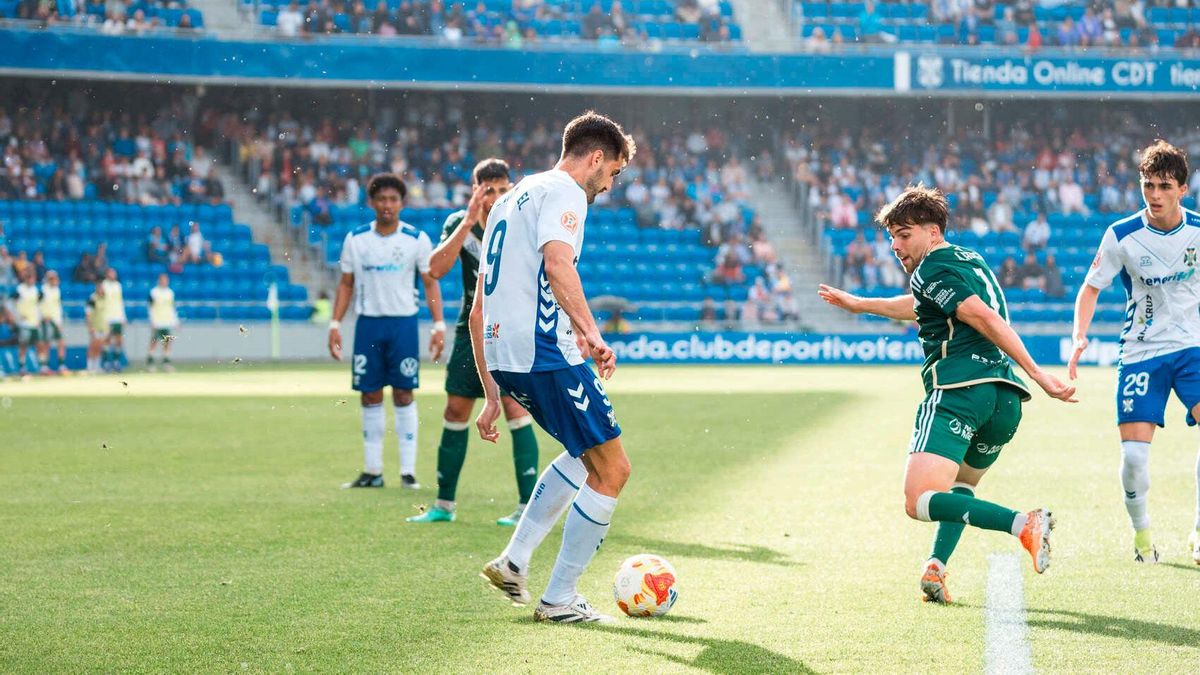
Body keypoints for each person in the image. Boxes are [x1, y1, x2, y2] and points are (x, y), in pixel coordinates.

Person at [818, 185, 1075, 604]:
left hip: (958, 388)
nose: (896, 247)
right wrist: (860, 304)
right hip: (1003, 400)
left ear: (932, 231)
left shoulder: (929, 269)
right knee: (958, 489)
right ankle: (936, 567)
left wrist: (1040, 373)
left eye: (904, 235)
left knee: (917, 500)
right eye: (892, 239)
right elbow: (922, 304)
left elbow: (981, 316)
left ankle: (1023, 524)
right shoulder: (965, 259)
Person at [475, 111, 635, 624]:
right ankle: (560, 598)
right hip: (542, 351)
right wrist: (591, 332)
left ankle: (514, 561)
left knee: (579, 453)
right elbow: (558, 263)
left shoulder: (510, 198)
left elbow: (478, 308)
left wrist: (493, 389)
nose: (607, 186)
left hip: (507, 356)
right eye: (611, 173)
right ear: (594, 158)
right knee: (612, 470)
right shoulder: (565, 191)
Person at [1067, 140, 1200, 565]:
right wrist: (1078, 336)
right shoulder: (1121, 235)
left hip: (1193, 347)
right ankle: (1143, 536)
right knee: (1134, 459)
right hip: (1142, 352)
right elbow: (1090, 289)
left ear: (1183, 188)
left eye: (1164, 185)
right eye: (1148, 185)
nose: (1155, 194)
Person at [407, 158, 541, 526]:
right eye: (488, 190)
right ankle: (444, 506)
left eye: (502, 189)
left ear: (511, 189)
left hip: (511, 329)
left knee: (516, 410)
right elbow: (434, 269)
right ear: (475, 191)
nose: (496, 196)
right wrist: (467, 221)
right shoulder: (459, 225)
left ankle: (527, 509)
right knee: (455, 411)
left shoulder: (522, 225)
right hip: (471, 331)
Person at [329, 173, 446, 490]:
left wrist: (438, 324)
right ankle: (372, 470)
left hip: (403, 325)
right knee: (369, 394)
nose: (387, 205)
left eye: (393, 199)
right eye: (381, 199)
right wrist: (335, 323)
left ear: (402, 203)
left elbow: (430, 281)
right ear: (371, 203)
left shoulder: (416, 239)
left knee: (404, 392)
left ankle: (408, 471)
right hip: (368, 324)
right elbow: (346, 284)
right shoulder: (356, 239)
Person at [10, 267, 41, 377]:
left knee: (39, 344)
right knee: (23, 345)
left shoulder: (35, 290)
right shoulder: (20, 289)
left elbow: (37, 306)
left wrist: (38, 319)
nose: (31, 280)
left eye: (32, 278)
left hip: (34, 322)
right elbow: (11, 304)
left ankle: (42, 366)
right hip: (24, 323)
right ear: (26, 279)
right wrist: (17, 316)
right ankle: (22, 368)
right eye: (29, 278)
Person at [146, 274, 179, 372]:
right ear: (159, 280)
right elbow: (150, 308)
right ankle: (150, 363)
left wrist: (175, 321)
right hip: (157, 321)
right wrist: (152, 321)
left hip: (167, 321)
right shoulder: (153, 292)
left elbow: (172, 308)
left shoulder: (170, 293)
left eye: (166, 280)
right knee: (154, 342)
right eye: (163, 280)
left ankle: (166, 363)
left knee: (167, 342)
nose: (164, 281)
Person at [38, 270, 66, 374]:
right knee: (47, 344)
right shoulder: (43, 290)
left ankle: (62, 366)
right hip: (47, 320)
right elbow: (39, 306)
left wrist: (59, 321)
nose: (55, 280)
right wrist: (43, 317)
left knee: (61, 343)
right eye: (53, 278)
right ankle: (44, 367)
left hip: (56, 321)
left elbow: (57, 308)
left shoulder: (57, 290)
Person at [101, 267, 127, 373]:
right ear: (107, 274)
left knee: (119, 340)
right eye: (111, 273)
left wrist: (123, 316)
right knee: (107, 340)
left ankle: (116, 362)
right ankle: (107, 362)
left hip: (117, 316)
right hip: (107, 317)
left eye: (114, 273)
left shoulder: (118, 285)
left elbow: (120, 302)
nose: (113, 274)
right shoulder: (103, 285)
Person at [85, 281, 108, 375]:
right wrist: (90, 326)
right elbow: (88, 314)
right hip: (95, 326)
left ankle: (97, 366)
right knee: (93, 346)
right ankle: (90, 367)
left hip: (103, 327)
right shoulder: (92, 299)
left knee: (99, 347)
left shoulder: (105, 298)